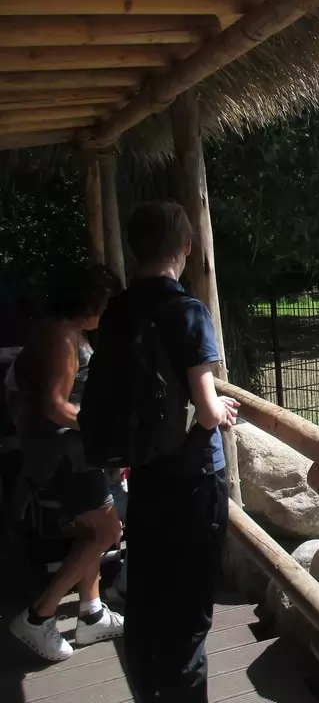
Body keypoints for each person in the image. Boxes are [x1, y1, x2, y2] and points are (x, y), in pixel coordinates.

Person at [92, 201, 238, 703]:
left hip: (146, 474)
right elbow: (205, 408)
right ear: (186, 248)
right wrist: (220, 408)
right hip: (193, 478)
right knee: (190, 608)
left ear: (135, 249)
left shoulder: (118, 311)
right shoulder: (187, 312)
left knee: (149, 594)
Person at [6, 264, 124, 661]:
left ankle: (90, 614)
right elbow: (56, 406)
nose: (107, 312)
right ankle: (38, 617)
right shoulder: (61, 338)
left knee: (91, 534)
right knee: (106, 532)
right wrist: (103, 431)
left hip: (66, 455)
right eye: (105, 304)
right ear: (89, 303)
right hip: (65, 457)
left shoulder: (55, 330)